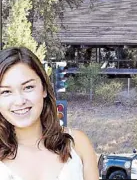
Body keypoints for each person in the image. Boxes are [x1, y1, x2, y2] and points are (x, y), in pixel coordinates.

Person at [0, 47, 99, 180]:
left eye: (28, 87)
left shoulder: (78, 144)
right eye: (6, 92)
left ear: (44, 88)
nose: (19, 101)